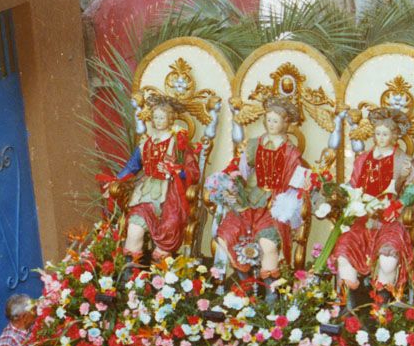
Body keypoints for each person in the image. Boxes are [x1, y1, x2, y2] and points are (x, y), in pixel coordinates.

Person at [332, 107, 414, 302]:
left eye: (385, 134)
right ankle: (350, 306)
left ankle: (381, 307)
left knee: (388, 261)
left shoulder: (404, 161)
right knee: (344, 253)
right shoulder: (362, 159)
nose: (380, 137)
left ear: (395, 135)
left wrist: (398, 204)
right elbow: (353, 185)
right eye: (377, 133)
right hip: (362, 220)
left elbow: (413, 188)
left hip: (389, 220)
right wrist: (339, 194)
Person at [216, 96, 307, 279]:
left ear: (285, 123)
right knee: (226, 234)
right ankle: (243, 282)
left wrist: (290, 204)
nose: (271, 124)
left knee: (268, 244)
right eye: (268, 120)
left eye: (275, 121)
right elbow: (239, 169)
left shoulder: (291, 152)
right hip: (250, 200)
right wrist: (230, 185)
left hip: (275, 205)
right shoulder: (254, 144)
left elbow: (298, 185)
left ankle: (270, 291)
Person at [114, 96, 201, 262]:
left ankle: (163, 278)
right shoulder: (145, 143)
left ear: (170, 119)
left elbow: (193, 172)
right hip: (145, 193)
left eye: (162, 117)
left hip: (172, 195)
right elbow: (132, 167)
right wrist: (115, 180)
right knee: (134, 231)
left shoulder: (178, 143)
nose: (159, 121)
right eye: (155, 117)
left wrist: (174, 170)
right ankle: (133, 279)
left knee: (170, 227)